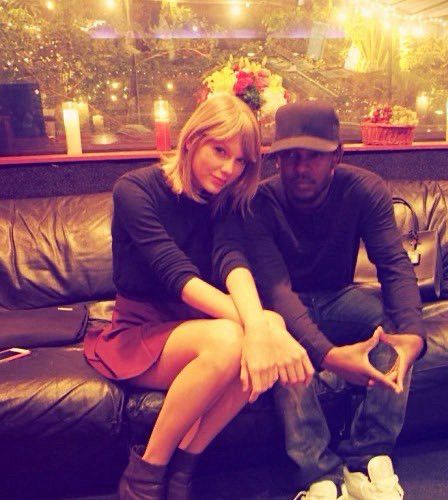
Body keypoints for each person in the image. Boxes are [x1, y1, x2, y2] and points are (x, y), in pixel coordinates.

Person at [83, 94, 313, 500]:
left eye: (240, 161)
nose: (229, 169)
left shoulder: (226, 198)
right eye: (220, 151)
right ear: (191, 140)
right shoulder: (134, 190)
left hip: (198, 324)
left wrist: (264, 324)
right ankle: (145, 473)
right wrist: (261, 326)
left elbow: (231, 259)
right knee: (239, 335)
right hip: (140, 331)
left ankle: (185, 464)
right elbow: (177, 275)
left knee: (257, 330)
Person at [231, 101, 426, 500]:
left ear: (337, 155)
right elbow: (277, 291)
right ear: (276, 159)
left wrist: (413, 336)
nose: (301, 168)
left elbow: (393, 263)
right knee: (282, 344)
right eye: (290, 156)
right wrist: (329, 356)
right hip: (282, 309)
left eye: (314, 156)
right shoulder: (257, 202)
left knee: (395, 331)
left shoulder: (365, 189)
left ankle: (366, 456)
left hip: (340, 297)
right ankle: (319, 474)